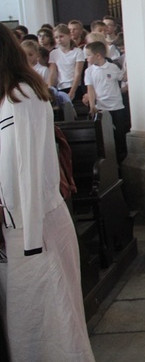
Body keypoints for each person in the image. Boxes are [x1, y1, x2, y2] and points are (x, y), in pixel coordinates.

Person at [0, 24, 96, 361]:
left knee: (53, 326)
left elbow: (22, 170)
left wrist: (28, 242)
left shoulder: (19, 97)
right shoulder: (16, 93)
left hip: (33, 227)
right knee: (35, 325)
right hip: (26, 225)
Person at [84, 40, 129, 162]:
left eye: (88, 55)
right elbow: (91, 89)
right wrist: (92, 105)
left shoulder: (112, 67)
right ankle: (109, 158)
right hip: (102, 106)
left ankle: (121, 156)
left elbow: (122, 77)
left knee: (119, 132)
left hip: (116, 105)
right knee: (104, 134)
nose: (86, 58)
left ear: (98, 55)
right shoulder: (89, 71)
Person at [48, 23, 85, 101]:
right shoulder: (54, 53)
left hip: (75, 86)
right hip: (60, 87)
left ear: (69, 35)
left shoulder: (78, 52)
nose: (59, 40)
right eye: (56, 37)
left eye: (61, 36)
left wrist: (72, 91)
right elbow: (53, 73)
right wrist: (50, 90)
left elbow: (78, 73)